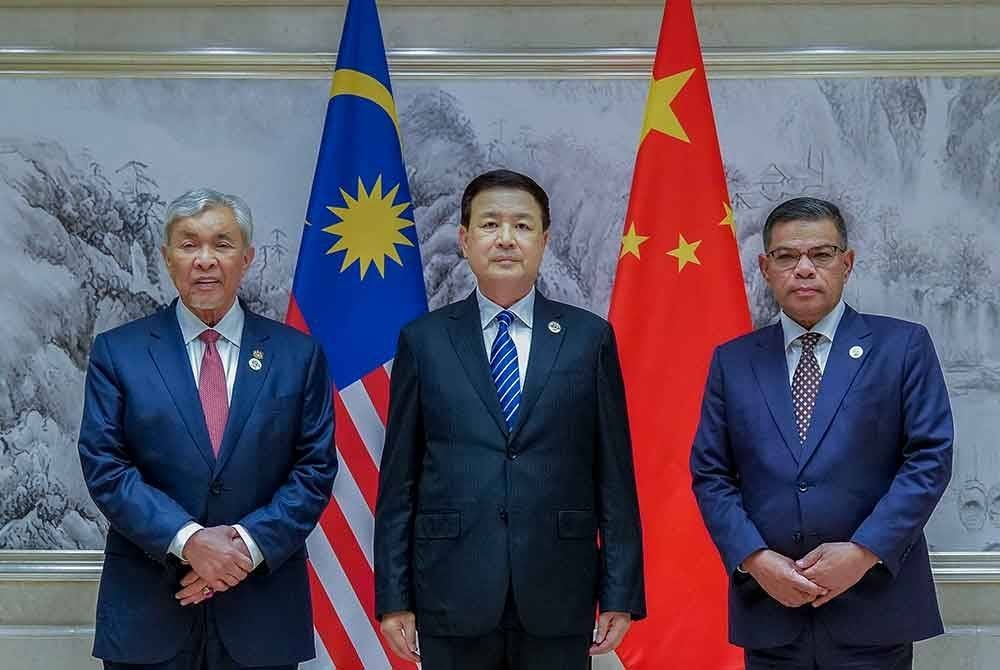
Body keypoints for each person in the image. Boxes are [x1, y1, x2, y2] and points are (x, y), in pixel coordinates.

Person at [373, 169, 645, 669]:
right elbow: (399, 483)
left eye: (521, 225)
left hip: (558, 588)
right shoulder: (424, 341)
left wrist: (622, 591)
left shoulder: (589, 338)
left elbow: (614, 476)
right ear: (464, 239)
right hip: (451, 590)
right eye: (489, 224)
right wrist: (394, 597)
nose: (505, 238)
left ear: (544, 240)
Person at [78, 188, 337, 670]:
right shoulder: (120, 353)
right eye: (188, 244)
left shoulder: (298, 356)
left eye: (221, 243)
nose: (205, 260)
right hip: (149, 613)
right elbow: (106, 467)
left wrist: (242, 548)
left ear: (247, 258)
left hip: (261, 615)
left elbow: (314, 469)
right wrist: (189, 541)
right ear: (166, 257)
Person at [691, 197, 953, 669]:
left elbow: (929, 458)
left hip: (873, 605)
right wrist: (754, 559)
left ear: (847, 263)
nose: (804, 269)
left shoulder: (902, 346)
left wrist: (864, 551)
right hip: (771, 608)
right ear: (766, 268)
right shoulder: (734, 361)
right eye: (787, 257)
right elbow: (711, 474)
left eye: (822, 254)